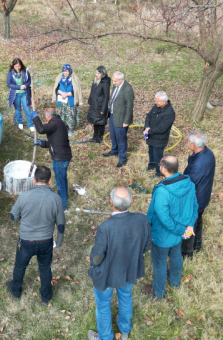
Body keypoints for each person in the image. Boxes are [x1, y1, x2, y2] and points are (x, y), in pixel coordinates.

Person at [87, 188, 151, 340]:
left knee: (103, 305)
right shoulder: (142, 219)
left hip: (107, 274)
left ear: (111, 203)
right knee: (125, 297)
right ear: (131, 201)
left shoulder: (105, 227)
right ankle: (124, 331)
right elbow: (148, 245)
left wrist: (92, 264)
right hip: (129, 269)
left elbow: (97, 257)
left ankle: (105, 337)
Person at [7, 166, 65, 305]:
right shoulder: (56, 199)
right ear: (50, 181)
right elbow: (61, 224)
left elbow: (13, 216)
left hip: (26, 241)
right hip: (46, 241)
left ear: (34, 180)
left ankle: (16, 291)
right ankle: (45, 297)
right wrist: (59, 241)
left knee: (20, 267)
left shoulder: (24, 196)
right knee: (45, 269)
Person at [142, 156, 198, 300]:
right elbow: (194, 207)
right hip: (179, 235)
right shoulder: (189, 183)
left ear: (163, 168)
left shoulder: (162, 191)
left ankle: (158, 292)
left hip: (162, 236)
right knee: (175, 254)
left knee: (160, 262)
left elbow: (163, 218)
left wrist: (181, 230)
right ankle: (174, 281)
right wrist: (188, 226)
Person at [31, 104, 73, 211]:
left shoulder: (54, 123)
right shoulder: (59, 123)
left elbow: (41, 129)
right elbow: (54, 142)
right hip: (64, 156)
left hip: (60, 158)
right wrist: (42, 143)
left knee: (60, 183)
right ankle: (64, 201)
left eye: (45, 117)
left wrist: (35, 117)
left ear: (48, 116)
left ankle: (62, 207)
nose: (45, 119)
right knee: (62, 180)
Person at [181, 131, 215, 258]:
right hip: (204, 195)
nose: (187, 143)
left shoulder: (198, 164)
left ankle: (187, 252)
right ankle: (197, 245)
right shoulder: (208, 153)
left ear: (194, 145)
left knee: (189, 224)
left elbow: (189, 183)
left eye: (189, 141)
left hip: (196, 198)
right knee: (198, 220)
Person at [103, 71, 134, 167]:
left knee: (121, 139)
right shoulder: (115, 85)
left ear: (122, 80)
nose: (113, 83)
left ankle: (122, 158)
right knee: (113, 135)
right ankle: (114, 150)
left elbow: (129, 106)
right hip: (112, 115)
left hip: (121, 119)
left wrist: (126, 121)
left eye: (115, 81)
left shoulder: (127, 89)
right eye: (113, 81)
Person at [143, 92, 175, 177]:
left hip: (160, 139)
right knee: (151, 153)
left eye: (157, 101)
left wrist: (149, 131)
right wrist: (146, 127)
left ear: (164, 102)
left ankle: (158, 173)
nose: (155, 103)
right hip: (151, 137)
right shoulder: (156, 106)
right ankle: (150, 167)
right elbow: (148, 116)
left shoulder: (169, 113)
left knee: (158, 157)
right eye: (155, 101)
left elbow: (162, 128)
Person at [52, 64, 83, 136]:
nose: (65, 73)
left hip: (70, 99)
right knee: (62, 114)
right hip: (62, 99)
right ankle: (64, 127)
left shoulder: (74, 78)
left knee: (70, 114)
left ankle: (71, 128)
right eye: (64, 71)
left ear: (70, 71)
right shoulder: (60, 77)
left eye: (67, 71)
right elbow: (56, 88)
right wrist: (62, 93)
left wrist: (67, 94)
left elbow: (76, 90)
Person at [6, 57, 35, 132]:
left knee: (27, 109)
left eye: (19, 66)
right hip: (16, 94)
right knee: (17, 109)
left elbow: (29, 80)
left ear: (21, 65)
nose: (18, 68)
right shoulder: (10, 73)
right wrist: (19, 87)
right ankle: (20, 122)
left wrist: (25, 86)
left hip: (25, 93)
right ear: (13, 66)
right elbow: (9, 84)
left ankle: (30, 124)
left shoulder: (25, 71)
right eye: (16, 66)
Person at [86, 66, 111, 144]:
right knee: (95, 121)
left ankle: (99, 138)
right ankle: (95, 136)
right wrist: (89, 101)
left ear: (102, 74)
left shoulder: (105, 83)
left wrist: (103, 109)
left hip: (100, 106)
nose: (96, 75)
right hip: (94, 105)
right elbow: (92, 91)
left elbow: (106, 97)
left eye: (98, 73)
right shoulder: (96, 80)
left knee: (101, 123)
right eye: (96, 73)